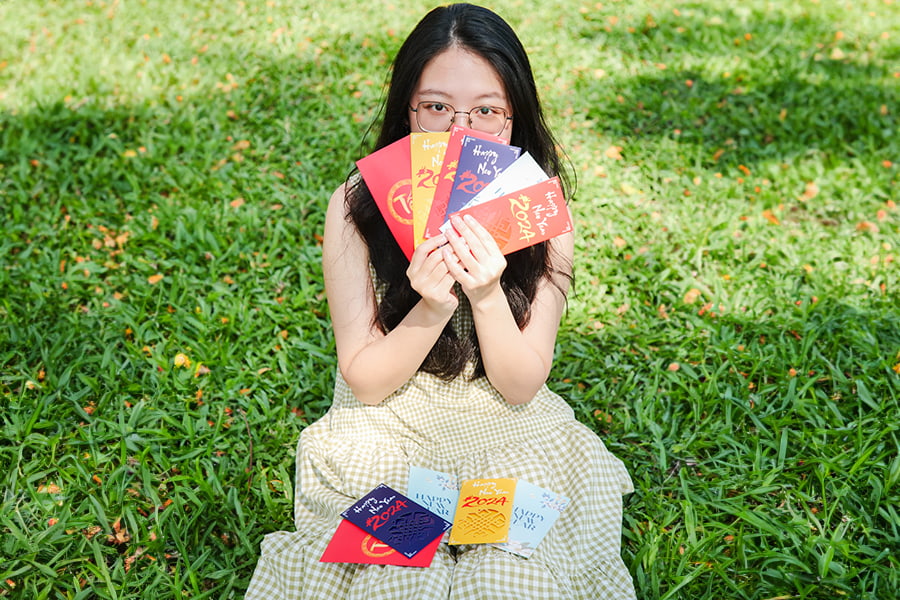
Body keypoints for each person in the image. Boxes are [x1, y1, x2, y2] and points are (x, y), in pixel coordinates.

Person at [244, 3, 635, 598]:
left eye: (486, 111)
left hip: (510, 432)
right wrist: (430, 308)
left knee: (510, 573)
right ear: (408, 111)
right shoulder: (356, 205)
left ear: (514, 119)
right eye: (436, 108)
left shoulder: (539, 212)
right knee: (396, 575)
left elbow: (522, 383)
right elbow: (367, 380)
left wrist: (483, 294)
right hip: (387, 433)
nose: (460, 133)